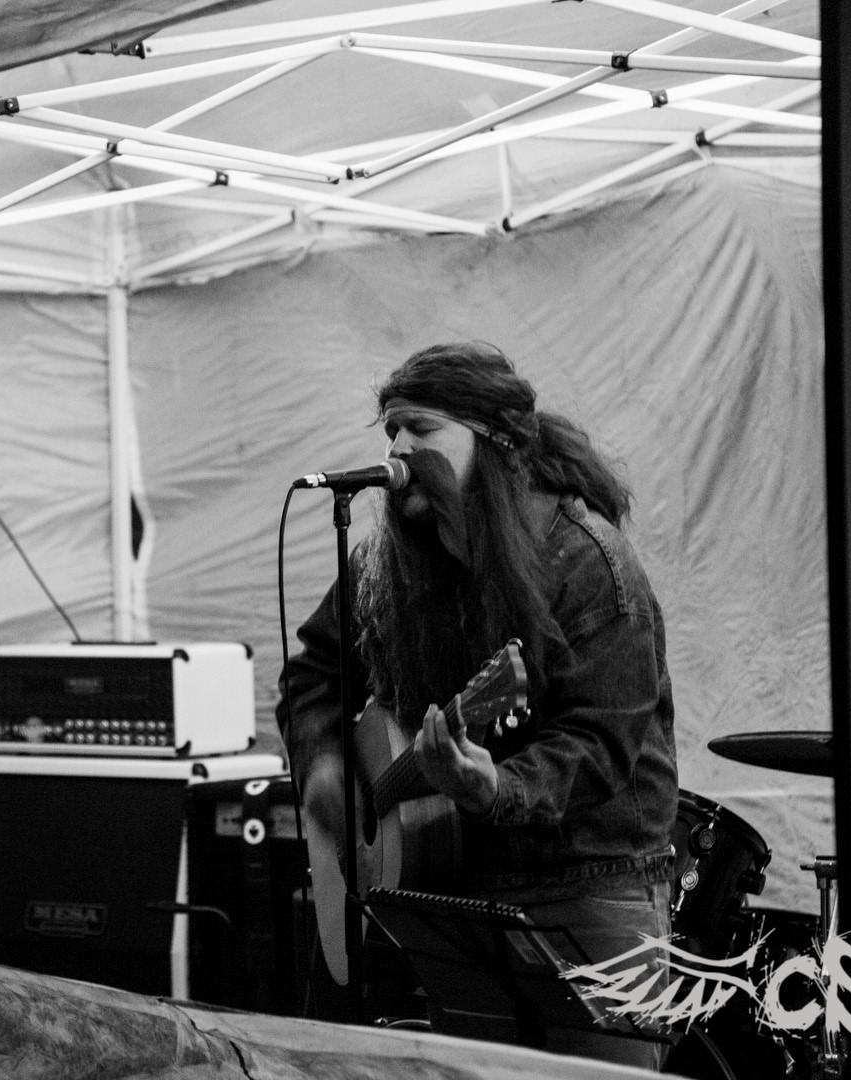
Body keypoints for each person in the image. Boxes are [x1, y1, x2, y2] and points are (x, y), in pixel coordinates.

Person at [276, 341, 678, 1068]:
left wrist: (495, 786)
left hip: (587, 890)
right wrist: (326, 768)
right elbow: (313, 675)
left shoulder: (587, 563)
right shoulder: (385, 568)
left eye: (422, 428)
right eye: (391, 430)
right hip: (453, 897)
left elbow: (599, 745)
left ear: (496, 445)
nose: (397, 449)